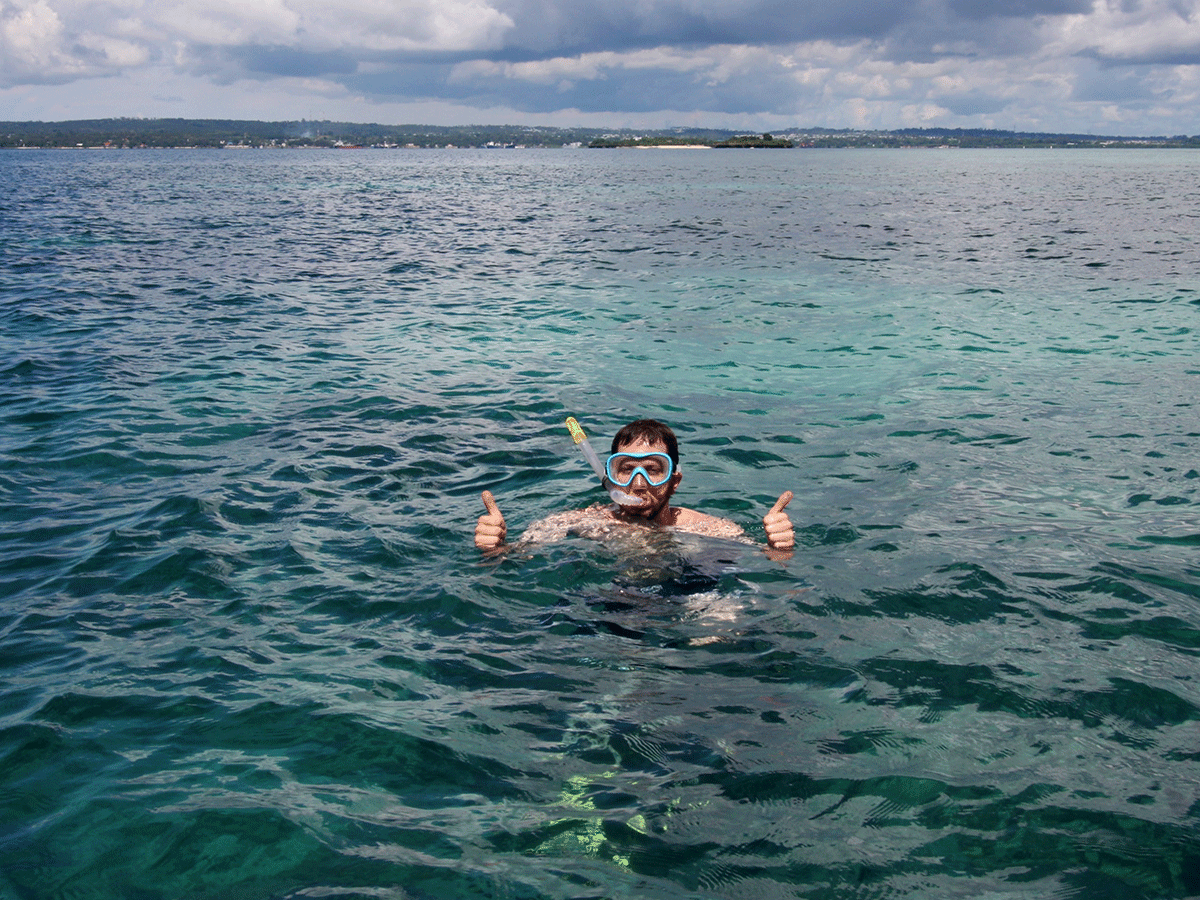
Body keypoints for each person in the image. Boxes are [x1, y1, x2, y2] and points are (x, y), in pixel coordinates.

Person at [474, 418, 795, 555]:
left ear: (675, 480)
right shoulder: (580, 522)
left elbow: (770, 565)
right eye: (625, 470)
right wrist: (495, 547)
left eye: (654, 470)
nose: (638, 483)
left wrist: (779, 549)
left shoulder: (711, 529)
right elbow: (513, 558)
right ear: (611, 477)